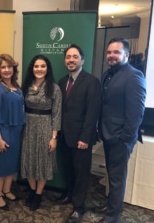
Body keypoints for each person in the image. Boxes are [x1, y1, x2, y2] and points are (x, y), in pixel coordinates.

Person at [95, 38, 146, 223]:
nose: (111, 55)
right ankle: (111, 205)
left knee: (117, 178)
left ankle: (112, 217)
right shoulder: (107, 75)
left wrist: (125, 139)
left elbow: (136, 112)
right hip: (108, 134)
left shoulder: (134, 76)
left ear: (126, 55)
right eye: (109, 52)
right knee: (112, 175)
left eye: (116, 52)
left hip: (120, 138)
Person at [57, 44, 101, 223]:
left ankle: (79, 206)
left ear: (82, 60)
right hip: (65, 136)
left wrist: (85, 137)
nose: (71, 60)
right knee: (68, 169)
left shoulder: (91, 82)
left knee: (82, 173)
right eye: (68, 57)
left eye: (75, 57)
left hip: (82, 138)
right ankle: (68, 194)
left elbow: (92, 112)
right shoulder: (61, 82)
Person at [0, 53, 26, 211]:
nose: (7, 70)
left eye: (10, 67)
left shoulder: (16, 86)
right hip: (1, 132)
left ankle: (6, 190)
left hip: (15, 132)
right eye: (3, 67)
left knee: (11, 164)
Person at [21, 54, 62, 211]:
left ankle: (38, 195)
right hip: (28, 127)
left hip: (46, 127)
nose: (39, 69)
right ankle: (31, 190)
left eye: (42, 66)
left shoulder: (54, 88)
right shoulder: (25, 86)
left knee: (43, 162)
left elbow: (57, 114)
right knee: (29, 159)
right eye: (36, 66)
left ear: (47, 69)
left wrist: (54, 137)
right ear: (32, 68)